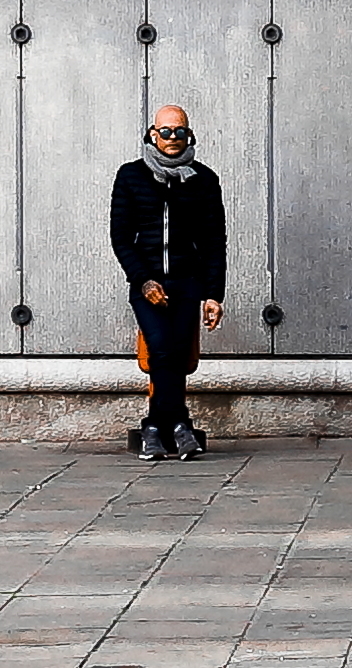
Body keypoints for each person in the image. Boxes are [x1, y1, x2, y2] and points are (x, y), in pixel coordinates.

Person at [110, 103, 225, 461]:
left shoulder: (204, 180)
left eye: (179, 131)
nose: (172, 137)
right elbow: (120, 237)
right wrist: (144, 281)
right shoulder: (130, 176)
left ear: (189, 135)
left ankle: (156, 428)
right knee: (160, 349)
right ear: (152, 134)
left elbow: (214, 242)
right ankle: (179, 425)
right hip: (147, 286)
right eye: (165, 131)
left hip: (187, 283)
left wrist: (213, 294)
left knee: (178, 354)